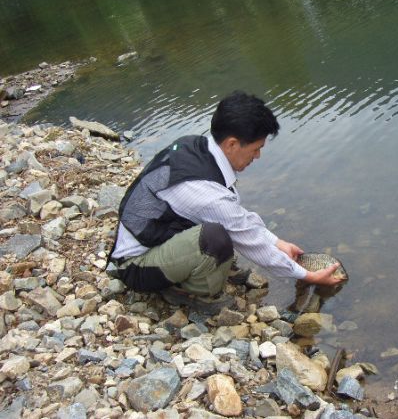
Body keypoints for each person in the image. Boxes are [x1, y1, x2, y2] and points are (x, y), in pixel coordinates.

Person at [109, 91, 341, 308]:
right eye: (256, 148)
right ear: (231, 143)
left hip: (148, 237)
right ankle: (189, 292)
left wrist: (278, 242)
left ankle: (183, 267)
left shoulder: (196, 145)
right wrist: (307, 275)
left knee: (222, 232)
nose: (258, 156)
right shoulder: (206, 194)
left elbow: (237, 216)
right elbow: (250, 241)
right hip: (135, 266)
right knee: (216, 239)